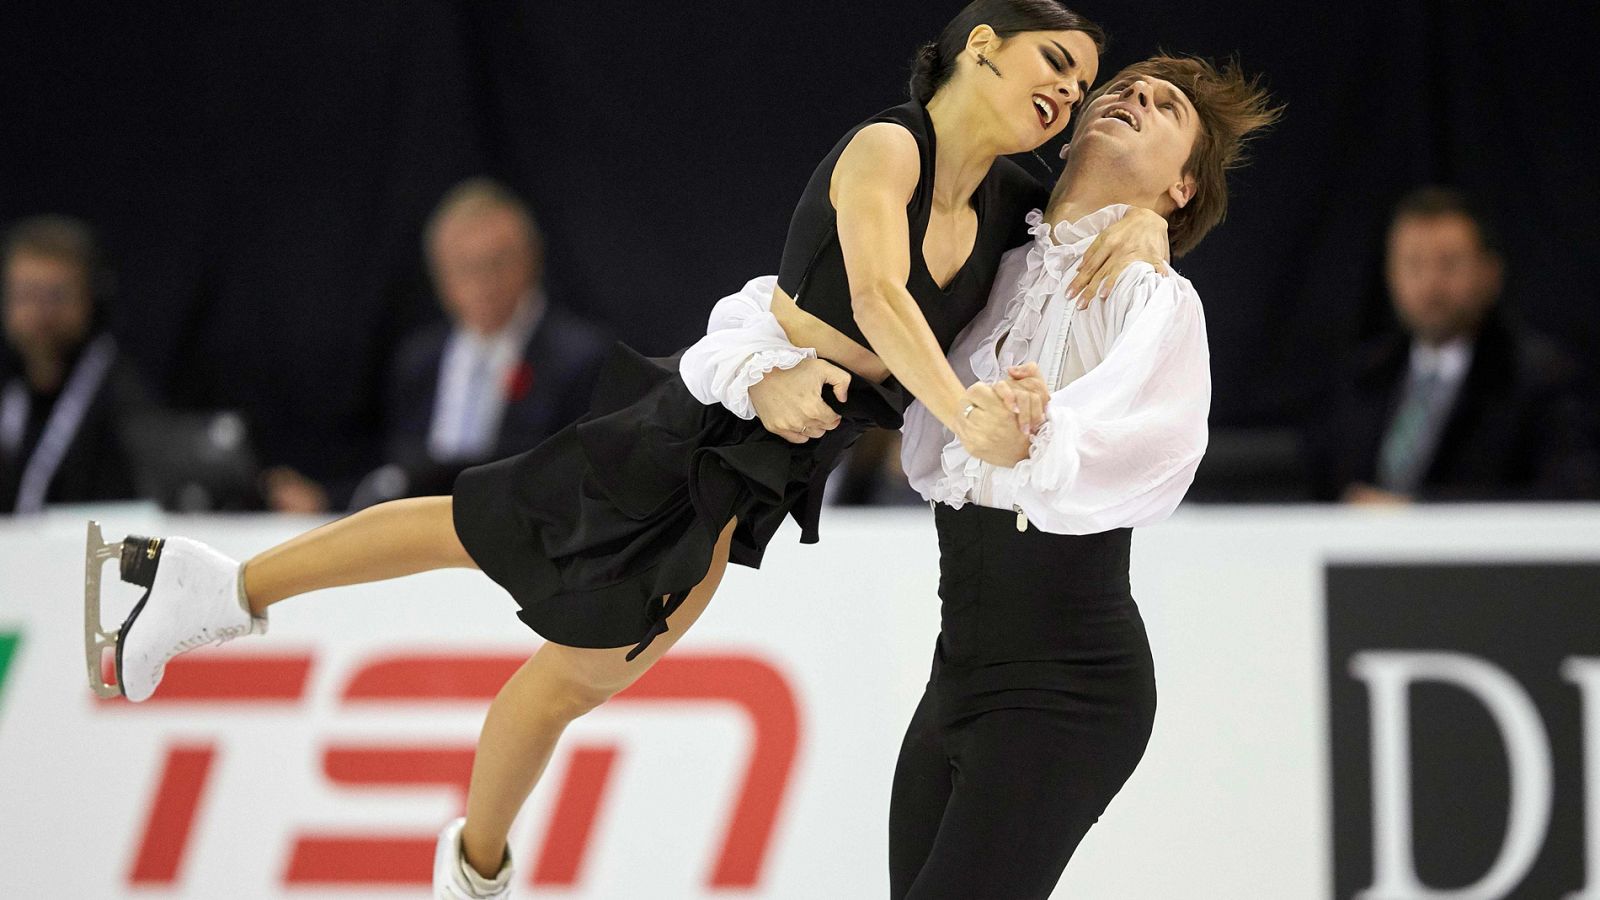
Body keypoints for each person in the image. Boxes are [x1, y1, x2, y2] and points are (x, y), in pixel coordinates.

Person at [88, 5, 1168, 899]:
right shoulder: (892, 147)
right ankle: (212, 589)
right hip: (698, 432)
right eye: (1054, 66)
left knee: (578, 672)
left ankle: (474, 865)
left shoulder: (1008, 196)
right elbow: (878, 295)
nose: (1069, 96)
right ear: (981, 44)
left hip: (759, 472)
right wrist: (936, 401)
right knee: (486, 530)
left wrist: (1155, 227)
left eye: (1083, 88)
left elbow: (1093, 215)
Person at [681, 54, 1279, 897]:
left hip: (1069, 688)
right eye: (1122, 88)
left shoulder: (1155, 297)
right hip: (956, 676)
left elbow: (1159, 451)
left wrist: (1037, 440)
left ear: (1182, 188)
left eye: (1164, 106)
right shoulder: (981, 254)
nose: (1130, 96)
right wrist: (754, 366)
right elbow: (804, 300)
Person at [264, 179, 612, 513]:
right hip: (421, 542)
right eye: (465, 267)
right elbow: (395, 473)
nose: (483, 283)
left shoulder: (579, 359)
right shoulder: (420, 359)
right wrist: (326, 499)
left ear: (531, 260)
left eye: (497, 262)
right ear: (440, 276)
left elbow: (572, 477)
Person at [1307, 187, 1599, 503]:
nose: (1431, 283)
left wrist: (1421, 512)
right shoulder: (1364, 375)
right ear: (1390, 273)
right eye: (1413, 264)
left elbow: (1567, 495)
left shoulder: (1539, 379)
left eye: (1449, 263)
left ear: (1491, 273)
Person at [1, 215, 153, 513]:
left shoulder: (121, 398)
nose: (40, 313)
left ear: (90, 300)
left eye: (56, 296)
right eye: (26, 295)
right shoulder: (9, 386)